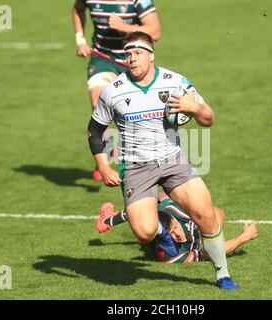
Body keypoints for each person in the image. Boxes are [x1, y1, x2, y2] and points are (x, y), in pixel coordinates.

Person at [87, 31, 239, 289]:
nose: (131, 59)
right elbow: (94, 130)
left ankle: (222, 274)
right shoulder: (112, 91)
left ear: (150, 56)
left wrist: (196, 108)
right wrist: (103, 165)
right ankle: (160, 225)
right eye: (128, 55)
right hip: (136, 167)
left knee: (206, 214)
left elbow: (208, 118)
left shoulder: (176, 82)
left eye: (137, 54)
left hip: (173, 160)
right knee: (144, 232)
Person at [72, 0, 161, 180]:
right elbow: (78, 9)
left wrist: (124, 27)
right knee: (99, 104)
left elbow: (155, 31)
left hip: (134, 60)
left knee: (135, 114)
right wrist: (80, 39)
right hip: (102, 57)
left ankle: (142, 161)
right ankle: (103, 162)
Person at [95, 192, 258, 264]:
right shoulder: (172, 256)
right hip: (164, 240)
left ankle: (109, 220)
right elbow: (209, 254)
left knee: (217, 213)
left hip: (165, 214)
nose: (177, 235)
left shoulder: (174, 209)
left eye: (175, 228)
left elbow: (159, 198)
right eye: (171, 234)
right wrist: (244, 237)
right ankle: (142, 235)